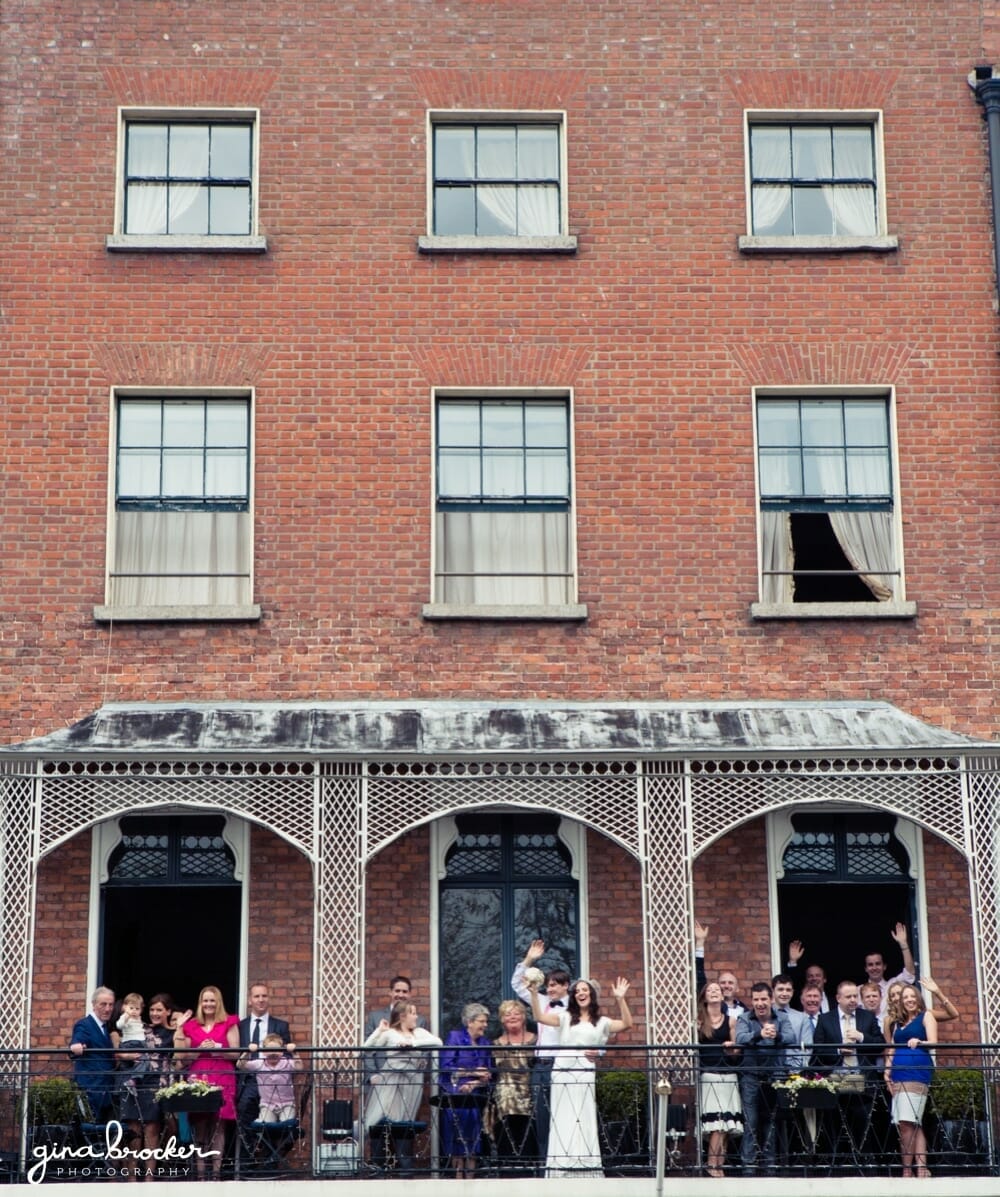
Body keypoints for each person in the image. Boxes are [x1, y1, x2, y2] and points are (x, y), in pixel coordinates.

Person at [527, 973, 633, 1178]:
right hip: (563, 1071)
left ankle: (586, 1166)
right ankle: (560, 1168)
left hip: (584, 1070)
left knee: (583, 1116)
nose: (580, 993)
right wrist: (533, 994)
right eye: (577, 991)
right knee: (563, 1117)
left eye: (584, 990)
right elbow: (540, 1017)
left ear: (592, 994)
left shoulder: (601, 1021)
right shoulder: (565, 1018)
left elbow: (627, 1024)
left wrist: (620, 999)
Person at [363, 999, 442, 1175]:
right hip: (390, 1081)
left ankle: (405, 1166)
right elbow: (367, 1048)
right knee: (381, 1120)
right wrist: (379, 1031)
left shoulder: (419, 1033)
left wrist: (412, 1044)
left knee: (404, 1123)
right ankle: (378, 1165)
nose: (416, 1016)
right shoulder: (390, 1033)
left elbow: (438, 1042)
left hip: (411, 1082)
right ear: (403, 1016)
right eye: (413, 1013)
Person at [511, 939, 572, 1168]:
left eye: (555, 985)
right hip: (540, 1066)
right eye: (549, 984)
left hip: (562, 1066)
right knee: (542, 1117)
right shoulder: (542, 1000)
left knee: (564, 1115)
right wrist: (529, 959)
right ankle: (546, 1165)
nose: (551, 988)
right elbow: (517, 984)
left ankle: (565, 1163)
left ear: (566, 986)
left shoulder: (573, 1006)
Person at [811, 980, 884, 1168]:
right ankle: (833, 1164)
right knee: (833, 1123)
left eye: (855, 996)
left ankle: (864, 1163)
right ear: (838, 998)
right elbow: (817, 1051)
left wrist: (862, 1037)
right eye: (848, 996)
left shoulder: (867, 1017)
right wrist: (837, 1050)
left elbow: (881, 1045)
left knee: (862, 1123)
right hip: (836, 1078)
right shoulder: (825, 1019)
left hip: (862, 1078)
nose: (853, 1000)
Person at [173, 985, 240, 1179]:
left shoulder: (229, 1022)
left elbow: (236, 1053)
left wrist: (217, 1048)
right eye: (205, 1000)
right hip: (198, 1076)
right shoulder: (191, 1025)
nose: (208, 1004)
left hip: (223, 1075)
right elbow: (181, 1057)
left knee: (219, 1126)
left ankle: (216, 1173)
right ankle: (201, 1173)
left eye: (212, 1000)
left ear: (218, 1002)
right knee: (200, 1125)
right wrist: (182, 1031)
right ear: (200, 1003)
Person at [735, 982, 795, 1176]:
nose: (760, 1003)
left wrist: (775, 1035)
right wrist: (758, 1034)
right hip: (751, 1076)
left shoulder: (782, 1017)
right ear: (752, 1001)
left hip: (775, 1076)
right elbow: (740, 1039)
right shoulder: (744, 1018)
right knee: (750, 1121)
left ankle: (771, 1166)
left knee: (771, 1121)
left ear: (771, 999)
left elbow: (790, 1037)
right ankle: (748, 1167)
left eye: (763, 999)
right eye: (756, 999)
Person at [885, 982, 938, 1178]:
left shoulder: (926, 1016)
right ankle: (919, 1167)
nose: (909, 1000)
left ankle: (910, 1169)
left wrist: (920, 1042)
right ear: (901, 1001)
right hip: (898, 1075)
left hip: (917, 1073)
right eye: (905, 997)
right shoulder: (898, 1023)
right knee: (908, 1123)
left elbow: (934, 1042)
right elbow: (892, 1046)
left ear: (918, 998)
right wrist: (887, 1071)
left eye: (912, 996)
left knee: (908, 1122)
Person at [439, 1002, 492, 1177]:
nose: (485, 1025)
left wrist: (474, 1083)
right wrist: (473, 1072)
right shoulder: (455, 1038)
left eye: (486, 1022)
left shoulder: (485, 1043)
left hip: (475, 1097)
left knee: (473, 1141)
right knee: (456, 1139)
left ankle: (471, 1179)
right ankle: (457, 1178)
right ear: (469, 1022)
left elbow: (488, 1074)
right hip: (456, 1097)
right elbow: (446, 1066)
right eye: (482, 1021)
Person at [697, 981, 742, 1178]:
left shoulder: (731, 1020)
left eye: (717, 990)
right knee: (716, 1123)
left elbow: (737, 1053)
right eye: (710, 990)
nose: (714, 992)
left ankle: (719, 1165)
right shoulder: (698, 1020)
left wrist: (732, 1047)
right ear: (704, 996)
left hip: (728, 1074)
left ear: (722, 996)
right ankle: (711, 1164)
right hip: (709, 1075)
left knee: (725, 1125)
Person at [487, 1000, 537, 1176]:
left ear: (524, 1017)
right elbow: (490, 1073)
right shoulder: (494, 1044)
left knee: (528, 1144)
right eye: (507, 1014)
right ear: (502, 1019)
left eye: (517, 1013)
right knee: (506, 1146)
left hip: (531, 1100)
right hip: (504, 1103)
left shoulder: (537, 1041)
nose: (513, 1016)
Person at [238, 984, 292, 1122]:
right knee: (244, 1111)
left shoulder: (280, 1026)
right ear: (250, 1000)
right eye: (257, 996)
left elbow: (287, 1055)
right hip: (249, 1079)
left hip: (272, 1078)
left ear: (268, 999)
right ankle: (250, 1144)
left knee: (275, 1121)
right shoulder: (241, 1026)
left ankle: (269, 1144)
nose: (261, 999)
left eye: (264, 996)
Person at [69, 986, 117, 1120]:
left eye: (111, 1005)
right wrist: (76, 1045)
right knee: (90, 1129)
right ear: (94, 1005)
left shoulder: (105, 1027)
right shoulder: (85, 1025)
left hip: (106, 1089)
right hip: (90, 1089)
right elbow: (77, 1040)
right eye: (103, 1004)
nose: (108, 1009)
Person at [238, 1034, 302, 1122]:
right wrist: (247, 1052)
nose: (273, 1053)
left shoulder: (286, 1063)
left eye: (277, 1050)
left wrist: (295, 1053)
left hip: (287, 1104)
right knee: (266, 1126)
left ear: (282, 1051)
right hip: (267, 1104)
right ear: (263, 1052)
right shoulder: (260, 1063)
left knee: (287, 1125)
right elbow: (241, 1065)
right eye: (269, 1050)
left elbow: (299, 1068)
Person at [862, 924, 916, 1018]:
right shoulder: (858, 990)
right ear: (865, 969)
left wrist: (904, 945)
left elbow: (910, 973)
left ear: (884, 966)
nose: (874, 968)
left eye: (878, 964)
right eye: (870, 965)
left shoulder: (893, 985)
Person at [694, 921, 746, 1016]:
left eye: (730, 983)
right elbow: (699, 974)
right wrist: (700, 942)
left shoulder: (745, 1011)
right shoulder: (709, 1005)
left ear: (737, 988)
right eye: (722, 983)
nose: (726, 986)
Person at [786, 941, 831, 1011]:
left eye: (818, 975)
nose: (814, 978)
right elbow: (790, 983)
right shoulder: (798, 999)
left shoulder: (835, 1001)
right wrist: (793, 961)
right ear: (806, 979)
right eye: (810, 976)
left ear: (825, 979)